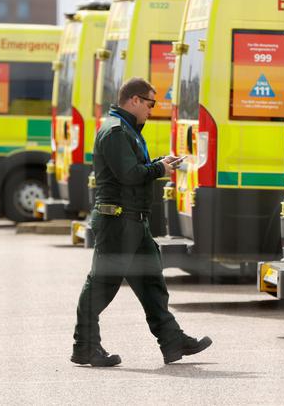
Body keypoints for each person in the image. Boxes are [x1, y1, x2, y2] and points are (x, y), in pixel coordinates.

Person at [71, 77, 212, 367]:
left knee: (152, 284)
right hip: (118, 222)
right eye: (150, 103)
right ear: (134, 100)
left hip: (134, 222)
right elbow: (129, 174)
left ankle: (173, 342)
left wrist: (160, 162)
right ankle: (84, 346)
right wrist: (158, 168)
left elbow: (135, 168)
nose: (152, 110)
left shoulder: (127, 130)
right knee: (102, 285)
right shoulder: (115, 131)